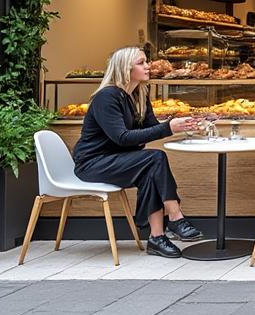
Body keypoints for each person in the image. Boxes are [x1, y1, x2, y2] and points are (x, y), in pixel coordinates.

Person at [73, 46, 206, 258]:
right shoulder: (107, 97)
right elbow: (122, 138)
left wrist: (185, 127)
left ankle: (157, 237)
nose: (148, 66)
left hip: (118, 159)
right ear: (125, 68)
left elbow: (152, 128)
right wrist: (168, 127)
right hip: (93, 163)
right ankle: (175, 217)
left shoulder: (139, 95)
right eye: (141, 62)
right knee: (155, 159)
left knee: (151, 169)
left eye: (147, 61)